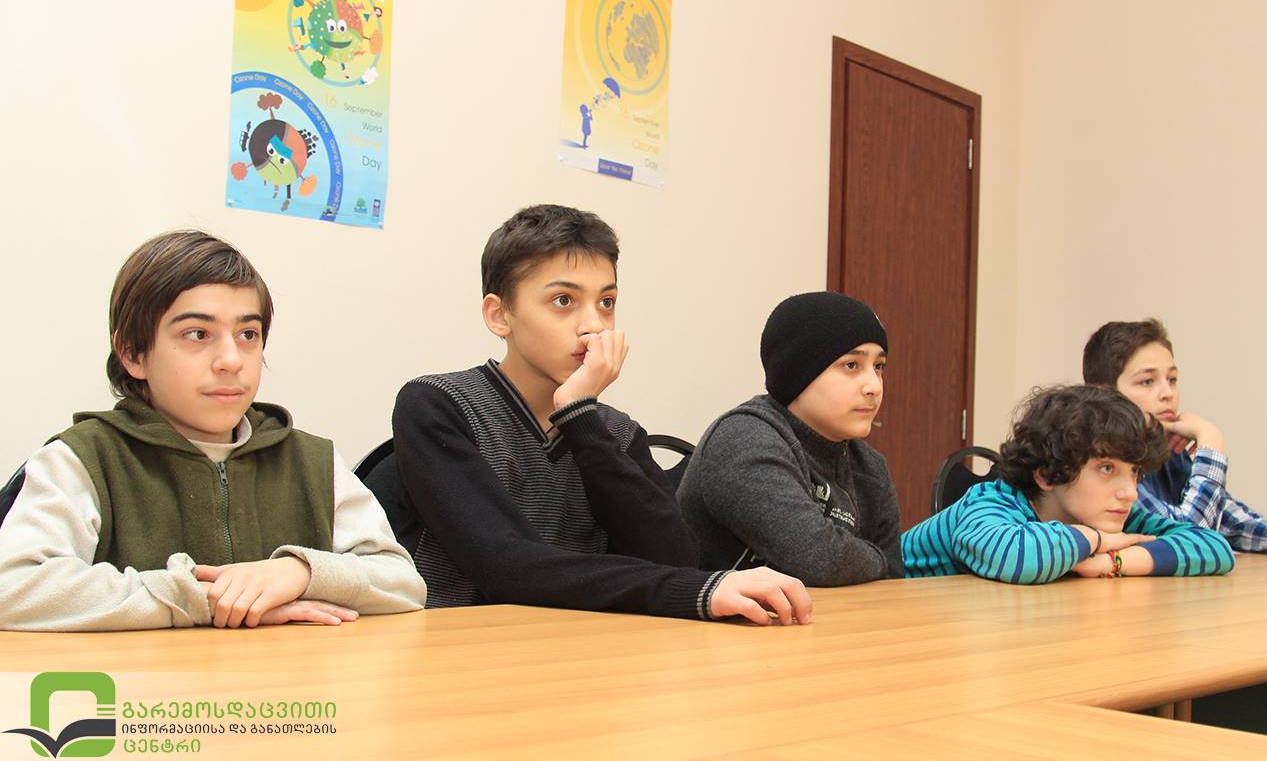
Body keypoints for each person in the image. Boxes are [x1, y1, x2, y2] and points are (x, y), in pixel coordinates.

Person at [390, 205, 812, 625]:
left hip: (583, 646)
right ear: (499, 315)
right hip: (458, 645)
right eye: (563, 301)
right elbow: (507, 566)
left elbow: (675, 561)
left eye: (607, 302)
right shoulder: (437, 404)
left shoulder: (614, 431)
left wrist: (579, 418)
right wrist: (690, 590)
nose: (594, 325)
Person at [0, 230, 425, 631]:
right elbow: (13, 586)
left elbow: (403, 583)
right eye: (198, 334)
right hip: (139, 685)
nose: (231, 360)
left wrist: (300, 572)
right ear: (132, 354)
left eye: (248, 334)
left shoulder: (311, 460)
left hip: (288, 682)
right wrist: (204, 599)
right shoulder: (83, 458)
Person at [1084, 319, 1267, 563]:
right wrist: (1211, 445)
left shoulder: (1169, 454)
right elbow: (1192, 539)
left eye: (1172, 379)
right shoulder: (1103, 467)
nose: (1167, 393)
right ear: (1105, 393)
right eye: (1147, 381)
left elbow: (1238, 524)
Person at [901, 384, 1235, 583]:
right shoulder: (988, 503)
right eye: (1106, 468)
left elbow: (1214, 548)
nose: (1130, 492)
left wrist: (1112, 562)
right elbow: (1018, 558)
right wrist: (1099, 540)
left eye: (1134, 472)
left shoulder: (1109, 514)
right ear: (1047, 474)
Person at [679, 291, 902, 585]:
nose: (874, 386)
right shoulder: (743, 439)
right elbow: (820, 559)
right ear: (799, 372)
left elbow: (892, 581)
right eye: (851, 365)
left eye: (879, 367)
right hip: (716, 617)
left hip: (830, 614)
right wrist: (878, 560)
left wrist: (871, 563)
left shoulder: (870, 466)